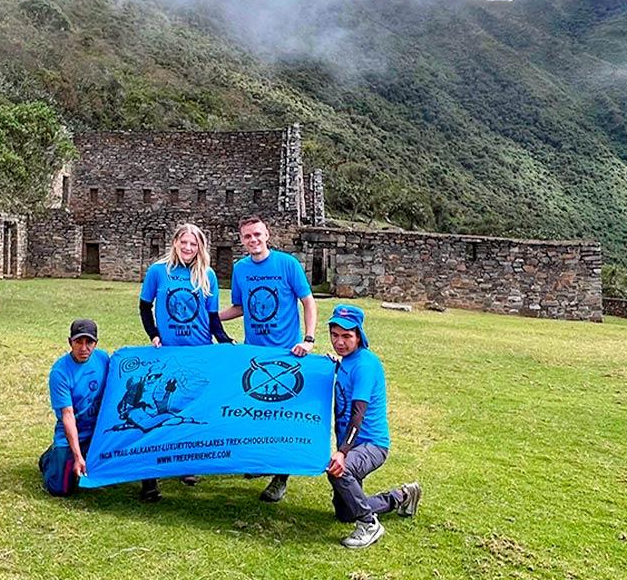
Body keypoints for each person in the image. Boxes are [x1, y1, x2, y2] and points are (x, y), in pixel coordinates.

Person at [219, 215, 317, 503]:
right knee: (255, 413)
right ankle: (261, 461)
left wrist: (308, 339)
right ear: (242, 240)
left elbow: (308, 301)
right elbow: (240, 306)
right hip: (255, 354)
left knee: (283, 417)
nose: (254, 240)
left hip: (288, 353)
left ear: (267, 234)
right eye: (248, 236)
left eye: (257, 234)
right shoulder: (241, 269)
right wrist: (210, 317)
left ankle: (280, 477)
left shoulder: (287, 264)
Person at [137, 222, 233, 502]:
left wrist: (225, 341)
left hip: (199, 351)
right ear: (175, 243)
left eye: (194, 244)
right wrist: (154, 334)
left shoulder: (208, 275)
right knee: (161, 406)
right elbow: (145, 306)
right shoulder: (159, 271)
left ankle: (186, 463)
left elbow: (212, 317)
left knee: (194, 409)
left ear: (200, 247)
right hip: (169, 353)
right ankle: (151, 471)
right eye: (184, 243)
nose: (189, 248)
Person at [324, 304, 421, 548]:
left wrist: (342, 452)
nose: (340, 342)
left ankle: (370, 525)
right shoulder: (346, 361)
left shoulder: (365, 365)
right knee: (345, 513)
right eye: (335, 335)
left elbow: (358, 414)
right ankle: (403, 496)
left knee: (340, 471)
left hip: (371, 445)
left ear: (359, 336)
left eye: (347, 336)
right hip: (354, 444)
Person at [38, 319, 109, 496]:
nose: (84, 348)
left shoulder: (103, 359)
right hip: (72, 431)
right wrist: (77, 457)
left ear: (96, 343)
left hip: (98, 433)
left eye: (89, 342)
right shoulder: (60, 372)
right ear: (70, 342)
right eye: (78, 341)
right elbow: (67, 415)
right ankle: (50, 458)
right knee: (60, 489)